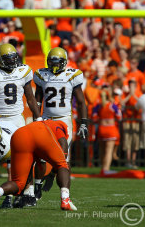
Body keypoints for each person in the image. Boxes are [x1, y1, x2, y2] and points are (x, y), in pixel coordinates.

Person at [0, 43, 41, 207]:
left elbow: (31, 99)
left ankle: (25, 194)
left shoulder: (22, 71)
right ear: (0, 59)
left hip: (17, 120)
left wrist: (38, 118)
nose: (12, 62)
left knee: (22, 157)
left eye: (14, 58)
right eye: (8, 59)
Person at [0, 120, 76, 211]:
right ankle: (65, 200)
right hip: (40, 132)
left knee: (18, 183)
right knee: (62, 164)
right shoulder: (59, 125)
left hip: (19, 134)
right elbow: (63, 147)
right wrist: (54, 172)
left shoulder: (45, 124)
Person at [33, 47, 88, 198]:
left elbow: (81, 102)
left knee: (63, 157)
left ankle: (59, 185)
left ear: (64, 62)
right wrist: (36, 118)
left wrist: (83, 122)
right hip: (46, 119)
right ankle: (37, 186)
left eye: (57, 62)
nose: (54, 65)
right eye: (51, 62)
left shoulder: (72, 75)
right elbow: (37, 101)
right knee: (41, 155)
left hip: (64, 121)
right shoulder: (42, 75)